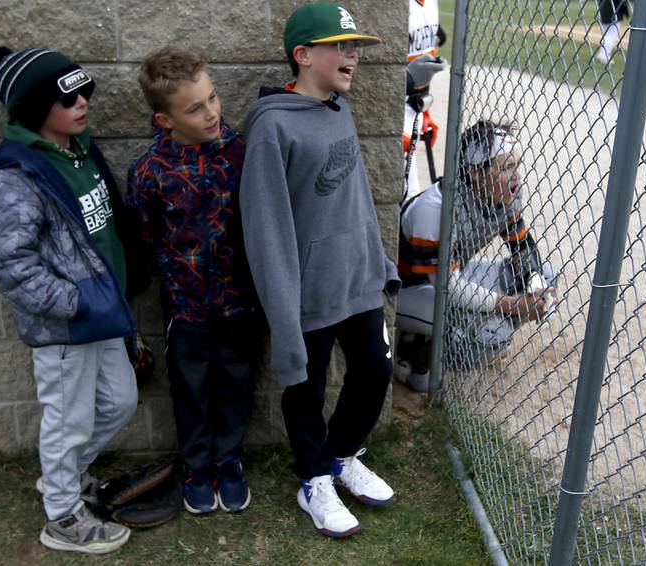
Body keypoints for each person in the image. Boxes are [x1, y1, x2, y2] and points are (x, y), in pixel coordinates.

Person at [0, 46, 147, 554]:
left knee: (119, 400)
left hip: (106, 312)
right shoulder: (17, 178)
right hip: (67, 323)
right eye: (68, 100)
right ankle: (63, 518)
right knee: (68, 420)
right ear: (33, 110)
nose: (83, 104)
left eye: (84, 93)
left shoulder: (80, 151)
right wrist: (71, 302)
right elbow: (9, 263)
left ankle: (62, 476)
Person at [239, 2, 401, 539]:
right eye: (341, 47)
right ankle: (312, 479)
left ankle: (339, 458)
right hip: (305, 292)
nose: (353, 56)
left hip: (356, 282)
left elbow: (353, 200)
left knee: (375, 370)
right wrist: (283, 311)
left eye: (356, 47)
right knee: (304, 390)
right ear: (303, 56)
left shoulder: (339, 107)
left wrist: (378, 262)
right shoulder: (271, 127)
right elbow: (267, 228)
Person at [127, 47, 258, 515]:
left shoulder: (242, 154)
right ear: (164, 120)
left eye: (213, 98)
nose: (212, 112)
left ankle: (229, 459)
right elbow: (144, 239)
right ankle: (197, 465)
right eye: (195, 108)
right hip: (184, 310)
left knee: (238, 381)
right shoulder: (148, 173)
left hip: (239, 302)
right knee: (191, 387)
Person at [395, 121, 558, 391]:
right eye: (506, 167)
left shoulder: (504, 194)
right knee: (494, 331)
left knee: (547, 274)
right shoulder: (437, 209)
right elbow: (451, 288)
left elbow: (522, 247)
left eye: (517, 164)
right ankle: (415, 352)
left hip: (451, 277)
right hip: (407, 290)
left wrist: (535, 288)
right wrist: (513, 306)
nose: (517, 175)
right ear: (473, 171)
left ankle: (440, 339)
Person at [404, 0, 447, 199]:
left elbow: (424, 64)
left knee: (410, 195)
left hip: (412, 111)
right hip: (389, 118)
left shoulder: (430, 3)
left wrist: (424, 112)